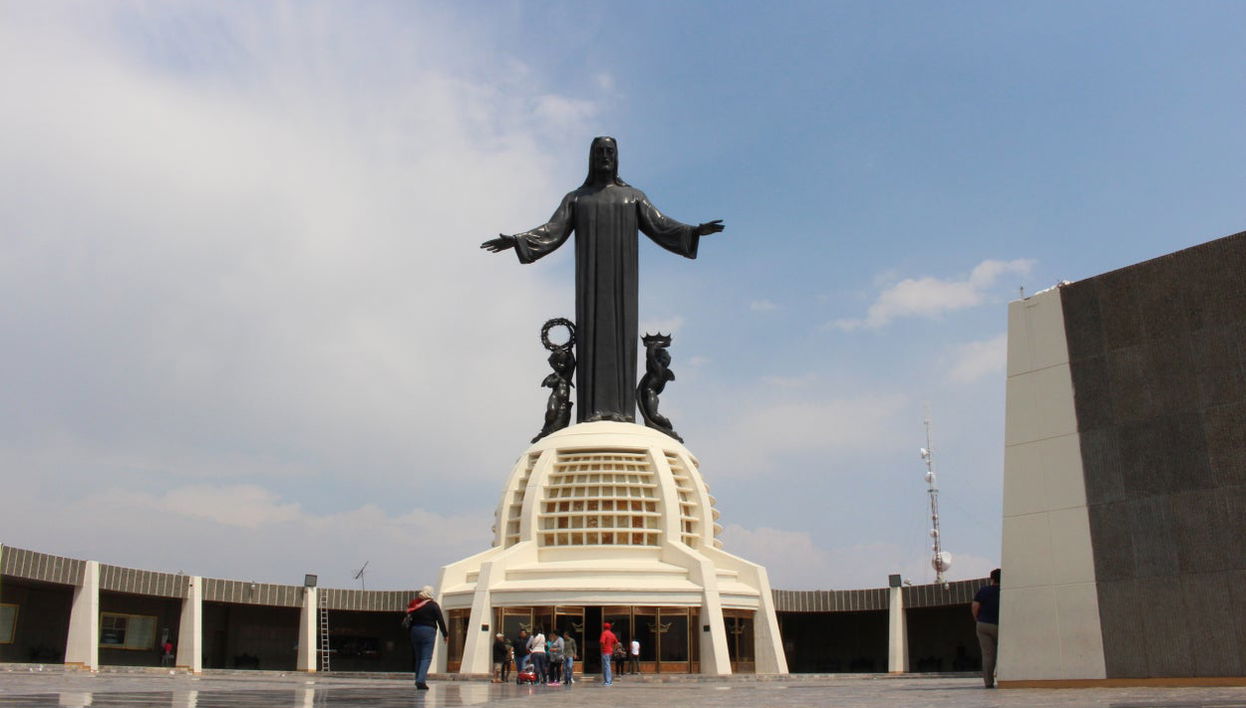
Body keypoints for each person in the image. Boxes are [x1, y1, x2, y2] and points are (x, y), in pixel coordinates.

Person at [481, 136, 725, 424]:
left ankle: (622, 412)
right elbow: (553, 229)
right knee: (593, 337)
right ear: (591, 157)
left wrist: (693, 232)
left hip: (623, 284)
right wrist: (518, 240)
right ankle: (591, 411)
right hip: (590, 284)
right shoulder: (577, 198)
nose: (605, 156)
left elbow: (661, 224)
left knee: (621, 337)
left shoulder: (633, 196)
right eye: (599, 152)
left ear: (617, 156)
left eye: (610, 151)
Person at [405, 586, 448, 691]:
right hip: (428, 631)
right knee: (426, 658)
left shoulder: (415, 605)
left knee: (419, 657)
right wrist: (445, 634)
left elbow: (409, 618)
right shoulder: (433, 606)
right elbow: (440, 620)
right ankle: (421, 681)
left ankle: (418, 679)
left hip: (415, 631)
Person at [972, 568, 1001, 688]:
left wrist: (977, 619)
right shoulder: (1005, 590)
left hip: (984, 625)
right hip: (1000, 625)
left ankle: (988, 683)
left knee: (988, 655)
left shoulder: (983, 590)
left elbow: (975, 606)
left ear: (992, 579)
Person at [599, 621, 619, 686]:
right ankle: (607, 681)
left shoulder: (604, 633)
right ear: (609, 627)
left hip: (605, 652)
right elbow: (617, 643)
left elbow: (602, 642)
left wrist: (602, 649)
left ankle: (608, 681)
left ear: (604, 627)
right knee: (607, 666)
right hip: (610, 652)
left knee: (606, 666)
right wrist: (613, 649)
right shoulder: (612, 634)